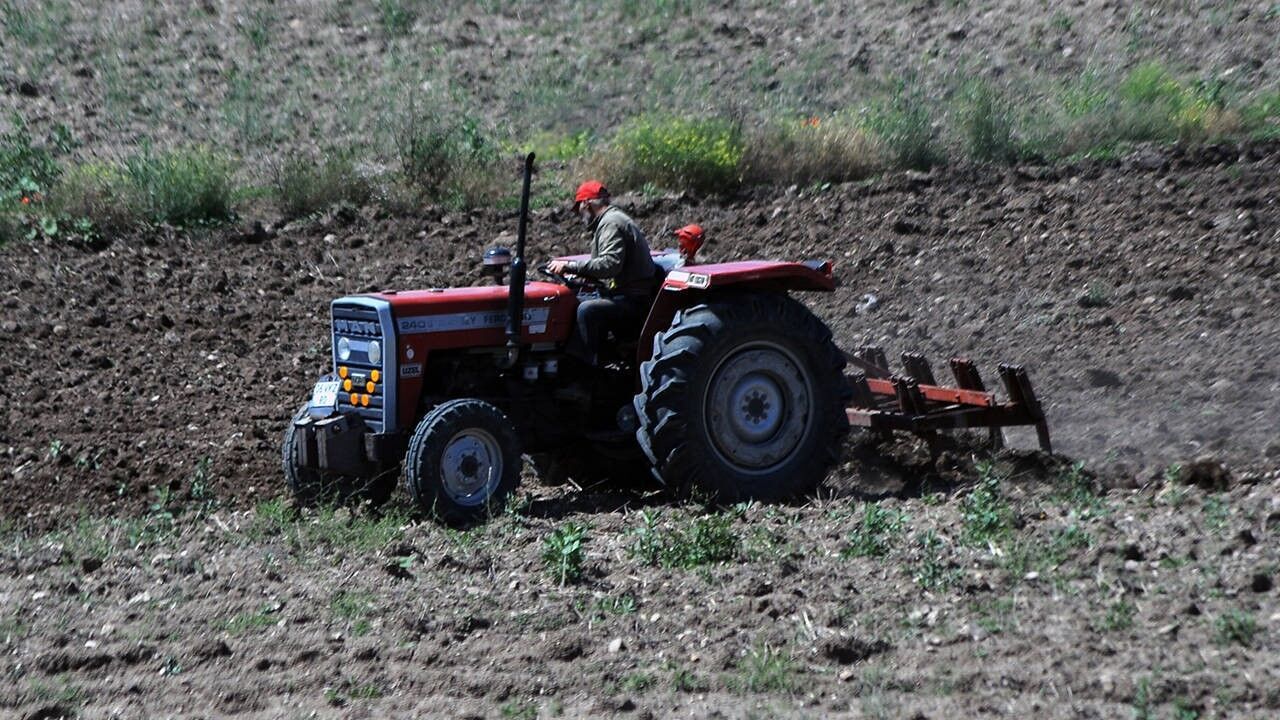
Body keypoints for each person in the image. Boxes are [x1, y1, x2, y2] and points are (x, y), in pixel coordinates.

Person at [549, 180, 657, 366]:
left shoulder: (610, 223)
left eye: (579, 208)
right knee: (574, 299)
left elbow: (610, 265)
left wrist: (570, 266)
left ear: (586, 203)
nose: (579, 214)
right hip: (623, 293)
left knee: (587, 310)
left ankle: (580, 371)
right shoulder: (611, 220)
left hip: (633, 299)